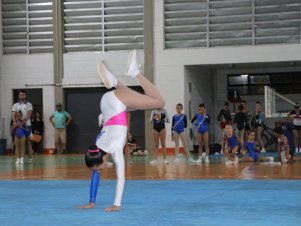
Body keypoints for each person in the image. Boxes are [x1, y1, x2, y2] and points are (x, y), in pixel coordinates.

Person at [79, 49, 165, 212]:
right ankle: (114, 81)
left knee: (159, 102)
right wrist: (92, 201)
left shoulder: (116, 150)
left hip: (116, 104)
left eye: (99, 168)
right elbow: (95, 174)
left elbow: (121, 178)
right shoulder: (97, 146)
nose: (100, 171)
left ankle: (135, 73)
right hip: (106, 105)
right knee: (129, 95)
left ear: (103, 160)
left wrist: (116, 204)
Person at [12, 89, 33, 163]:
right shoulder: (15, 105)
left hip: (27, 125)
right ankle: (19, 159)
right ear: (19, 95)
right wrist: (15, 122)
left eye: (23, 95)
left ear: (26, 95)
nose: (22, 96)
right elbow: (13, 115)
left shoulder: (29, 104)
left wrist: (23, 122)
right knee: (19, 142)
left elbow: (29, 115)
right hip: (18, 126)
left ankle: (30, 158)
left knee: (28, 142)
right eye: (21, 94)